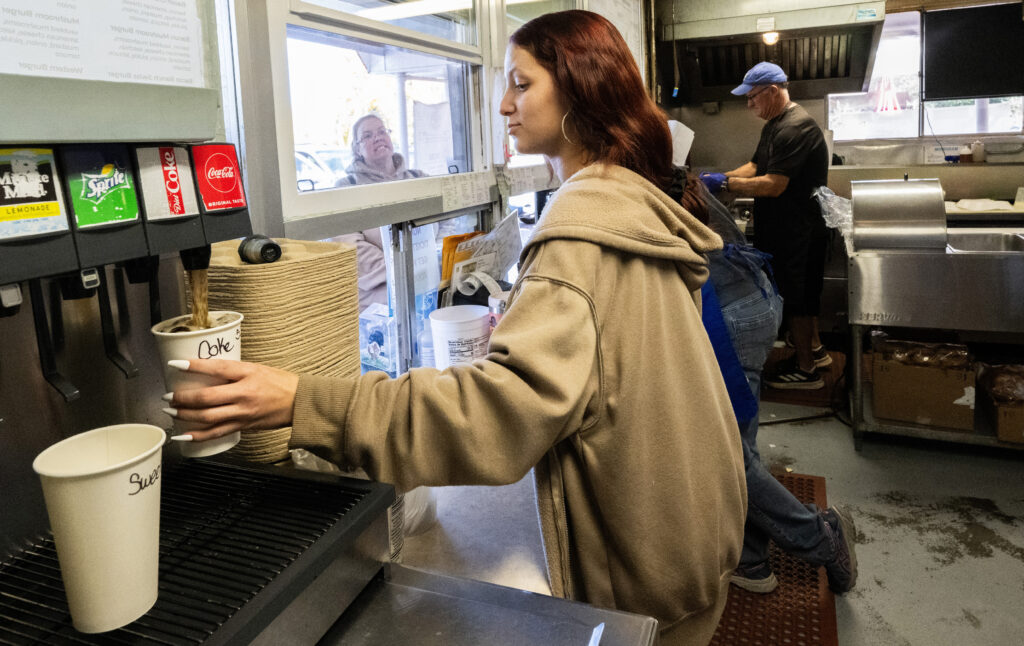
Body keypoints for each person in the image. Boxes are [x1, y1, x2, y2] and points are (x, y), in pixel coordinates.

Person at [164, 11, 746, 645]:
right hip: (692, 533)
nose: (503, 105)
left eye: (521, 85)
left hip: (649, 584)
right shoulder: (629, 199)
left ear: (579, 90)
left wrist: (303, 401)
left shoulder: (581, 231)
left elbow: (496, 418)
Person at [674, 169, 857, 596]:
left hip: (729, 313)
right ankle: (751, 559)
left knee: (731, 458)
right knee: (742, 448)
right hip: (750, 295)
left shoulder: (634, 190)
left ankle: (820, 537)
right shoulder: (669, 176)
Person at [700, 61, 831, 390]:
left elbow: (773, 184)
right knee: (803, 293)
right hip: (789, 227)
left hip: (798, 230)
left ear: (773, 91)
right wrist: (720, 178)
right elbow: (756, 165)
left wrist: (726, 186)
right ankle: (816, 351)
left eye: (753, 97)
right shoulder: (775, 124)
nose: (749, 104)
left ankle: (806, 371)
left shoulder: (795, 127)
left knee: (797, 298)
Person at [334, 113, 427, 310]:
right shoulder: (346, 187)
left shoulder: (419, 178)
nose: (377, 137)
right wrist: (402, 268)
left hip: (428, 283)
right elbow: (350, 245)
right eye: (367, 136)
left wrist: (434, 258)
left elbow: (446, 222)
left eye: (382, 131)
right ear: (357, 149)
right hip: (379, 297)